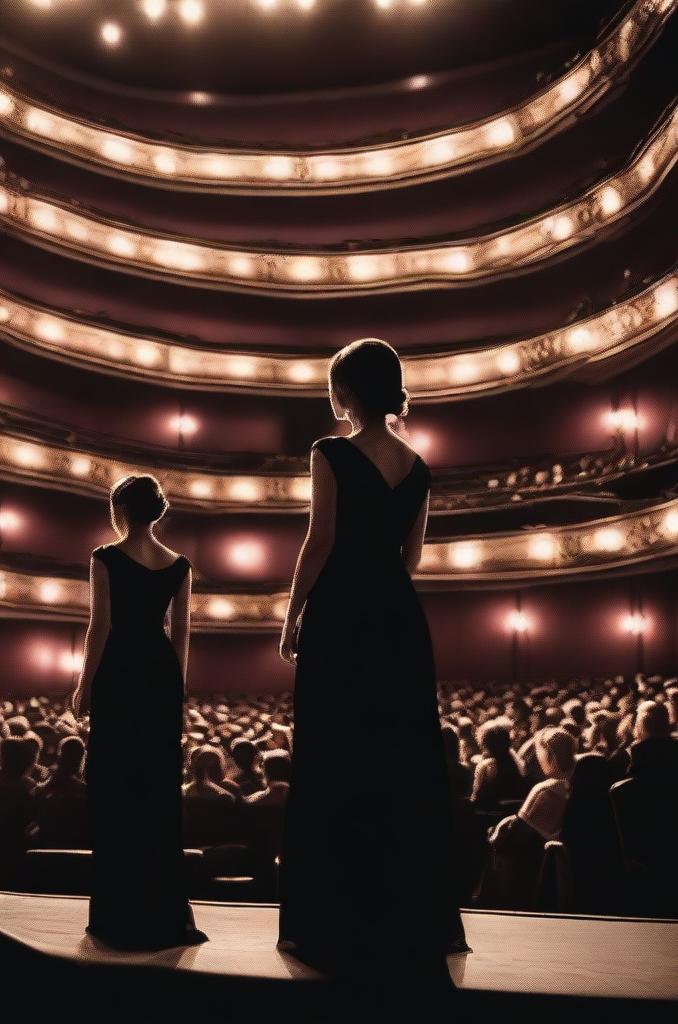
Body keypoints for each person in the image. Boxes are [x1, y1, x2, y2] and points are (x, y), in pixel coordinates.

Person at [277, 338, 470, 989]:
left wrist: (293, 611)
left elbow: (321, 537)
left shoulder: (330, 452)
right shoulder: (418, 465)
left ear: (346, 390)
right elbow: (411, 558)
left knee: (336, 753)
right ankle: (403, 909)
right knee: (400, 758)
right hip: (397, 617)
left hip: (341, 615)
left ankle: (338, 913)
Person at [71, 474, 207, 949]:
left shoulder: (105, 557)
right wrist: (178, 687)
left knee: (116, 789)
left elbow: (99, 628)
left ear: (121, 510)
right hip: (161, 675)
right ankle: (162, 908)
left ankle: (118, 911)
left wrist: (85, 686)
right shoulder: (180, 564)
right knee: (157, 793)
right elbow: (182, 632)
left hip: (120, 672)